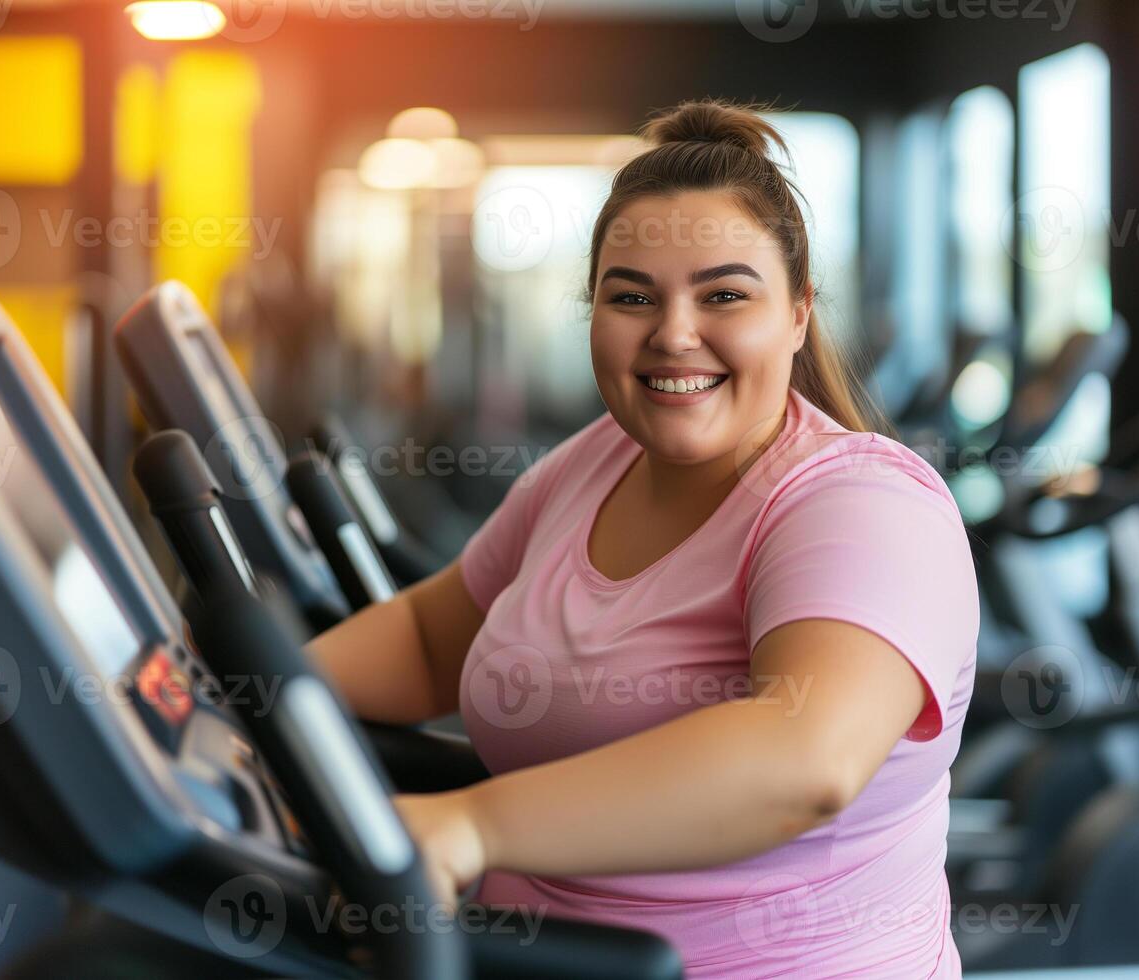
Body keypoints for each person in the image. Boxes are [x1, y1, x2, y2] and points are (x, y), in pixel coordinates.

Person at [308, 98, 978, 978]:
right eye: (632, 297)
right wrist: (234, 701)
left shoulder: (861, 503)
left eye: (724, 294)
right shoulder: (588, 466)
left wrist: (473, 826)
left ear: (800, 313)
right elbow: (433, 639)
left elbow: (804, 757)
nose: (673, 334)